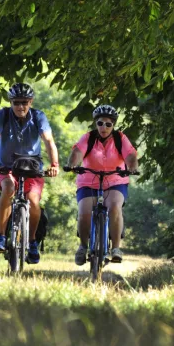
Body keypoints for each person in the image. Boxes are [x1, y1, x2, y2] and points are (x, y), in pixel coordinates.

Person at [0, 83, 59, 264]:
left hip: (32, 167)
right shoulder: (2, 115)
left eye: (24, 102)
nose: (20, 106)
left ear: (30, 102)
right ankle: (0, 236)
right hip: (6, 166)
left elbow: (48, 140)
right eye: (16, 102)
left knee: (33, 200)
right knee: (8, 188)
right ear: (11, 102)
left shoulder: (38, 116)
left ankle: (32, 241)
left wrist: (54, 164)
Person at [66, 104, 139, 265]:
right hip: (88, 180)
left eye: (108, 124)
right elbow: (77, 152)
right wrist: (72, 164)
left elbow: (130, 155)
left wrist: (132, 168)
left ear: (113, 125)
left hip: (115, 181)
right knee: (84, 211)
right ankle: (83, 246)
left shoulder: (120, 139)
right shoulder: (88, 138)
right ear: (95, 123)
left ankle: (116, 248)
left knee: (114, 207)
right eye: (100, 123)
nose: (104, 127)